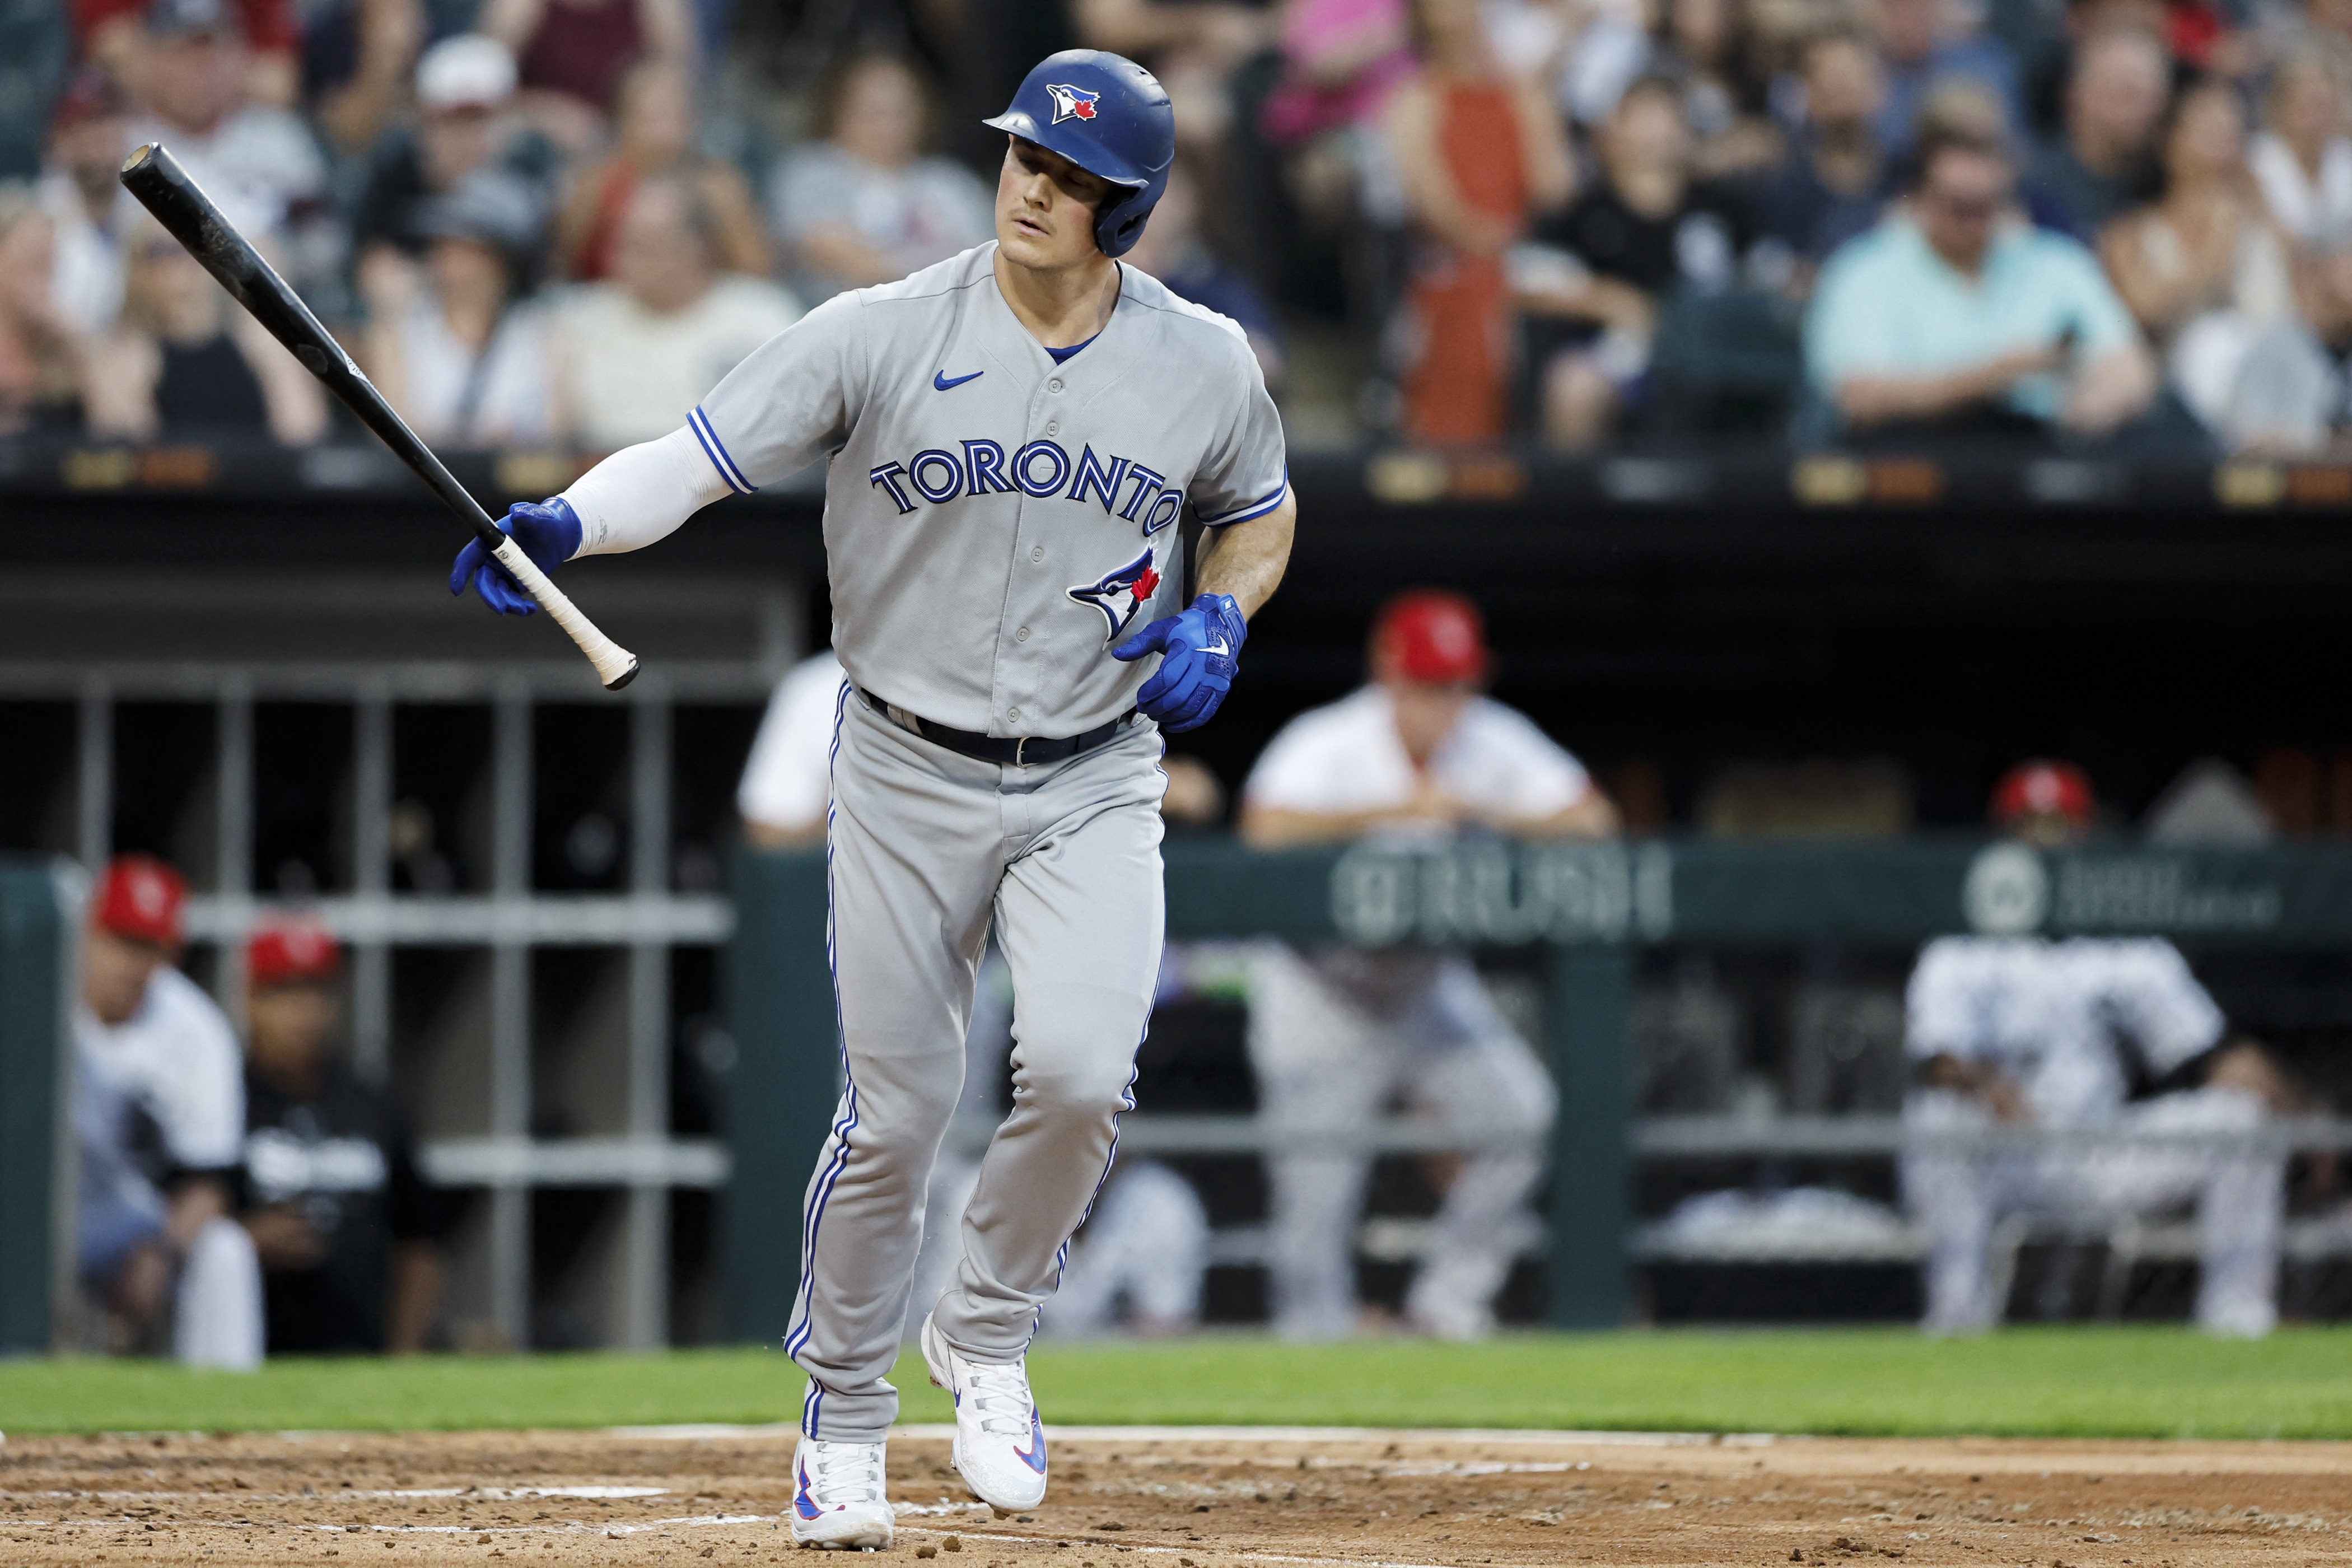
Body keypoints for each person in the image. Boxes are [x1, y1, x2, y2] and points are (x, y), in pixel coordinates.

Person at [444, 48, 1293, 1547]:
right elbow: (696, 461)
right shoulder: (884, 327)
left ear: (1134, 207)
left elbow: (1261, 516)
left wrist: (1227, 615)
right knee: (897, 1118)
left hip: (1096, 769)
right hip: (904, 762)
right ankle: (842, 1417)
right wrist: (569, 522)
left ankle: (986, 1328)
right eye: (1027, 156)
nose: (1036, 186)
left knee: (1088, 1070)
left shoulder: (1205, 359)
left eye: (1076, 175)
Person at [1238, 590, 1615, 1341]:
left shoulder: (1493, 742)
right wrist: (1388, 811)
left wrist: (1483, 812)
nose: (1445, 703)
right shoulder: (1333, 740)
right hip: (1323, 991)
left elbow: (1592, 822)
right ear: (1389, 673)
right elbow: (1264, 828)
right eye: (1429, 684)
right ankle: (1312, 1339)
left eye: (1457, 684)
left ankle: (1447, 1303)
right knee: (1315, 1196)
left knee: (1524, 1120)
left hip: (1426, 988)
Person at [1903, 759, 2298, 1338]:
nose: (2045, 842)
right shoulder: (1963, 945)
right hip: (2011, 1154)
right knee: (1938, 1119)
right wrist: (1985, 1086)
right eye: (2029, 826)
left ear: (2086, 834)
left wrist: (2285, 1099)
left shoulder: (2123, 939)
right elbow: (1934, 1057)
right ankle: (1957, 1320)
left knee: (2243, 1118)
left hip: (2102, 1151)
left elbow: (2210, 1050)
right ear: (2003, 840)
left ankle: (2237, 1321)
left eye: (2058, 825)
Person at [1804, 125, 2157, 439]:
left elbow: (2130, 366)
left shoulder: (2055, 262)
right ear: (1919, 199)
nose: (1976, 223)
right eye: (1960, 207)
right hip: (1913, 460)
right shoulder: (1864, 271)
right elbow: (1859, 398)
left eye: (1988, 206)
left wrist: (2088, 409)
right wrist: (1994, 375)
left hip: (2038, 453)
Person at [73, 855, 263, 1368]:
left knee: (225, 1252)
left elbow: (211, 1179)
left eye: (153, 947)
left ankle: (226, 1426)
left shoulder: (195, 1029)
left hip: (127, 1227)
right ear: (85, 934)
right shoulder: (31, 999)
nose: (135, 964)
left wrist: (164, 1251)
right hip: (32, 1216)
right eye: (122, 940)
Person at [239, 916, 447, 1354]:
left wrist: (404, 1350)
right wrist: (243, 1241)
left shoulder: (372, 1102)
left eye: (317, 990)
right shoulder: (226, 1104)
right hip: (252, 1349)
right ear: (251, 998)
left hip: (359, 1349)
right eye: (284, 991)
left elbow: (419, 1237)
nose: (304, 1011)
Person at [1518, 73, 1753, 447]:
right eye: (1642, 116)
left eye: (1667, 116)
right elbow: (1525, 277)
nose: (1656, 131)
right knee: (1575, 387)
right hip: (1619, 356)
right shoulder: (1585, 211)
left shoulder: (1724, 208)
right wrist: (1605, 300)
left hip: (1713, 354)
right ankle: (1566, 502)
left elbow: (1764, 274)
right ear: (1615, 132)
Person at [1387, 0, 1575, 443]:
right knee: (1471, 302)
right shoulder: (1415, 101)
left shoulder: (1524, 96)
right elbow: (1432, 204)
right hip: (1454, 266)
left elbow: (1555, 186)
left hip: (1523, 257)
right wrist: (1492, 247)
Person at [2099, 81, 2299, 438]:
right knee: (2212, 340)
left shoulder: (2267, 224)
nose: (2222, 139)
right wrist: (2215, 250)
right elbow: (2141, 310)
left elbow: (2307, 310)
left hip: (2275, 401)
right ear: (2169, 139)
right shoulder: (2130, 234)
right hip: (2173, 411)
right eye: (2208, 127)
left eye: (2231, 130)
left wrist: (2259, 210)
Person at [548, 174, 800, 450]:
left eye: (643, 247)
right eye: (619, 244)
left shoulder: (765, 318)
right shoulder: (576, 321)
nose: (619, 260)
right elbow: (549, 439)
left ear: (697, 248)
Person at [766, 52, 996, 304]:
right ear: (838, 110)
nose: (888, 125)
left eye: (901, 111)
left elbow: (989, 262)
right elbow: (833, 253)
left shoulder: (951, 180)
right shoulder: (810, 171)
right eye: (874, 110)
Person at [83, 214, 329, 442]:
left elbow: (304, 436)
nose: (182, 263)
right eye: (162, 250)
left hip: (259, 482)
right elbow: (128, 455)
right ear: (137, 268)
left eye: (192, 243)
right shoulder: (126, 354)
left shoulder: (255, 344)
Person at [358, 169, 556, 449]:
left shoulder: (541, 334)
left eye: (465, 248)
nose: (444, 259)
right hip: (419, 491)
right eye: (441, 245)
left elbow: (557, 439)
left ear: (503, 261)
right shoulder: (397, 333)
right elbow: (391, 440)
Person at [122, 0, 326, 255]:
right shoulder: (125, 147)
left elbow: (320, 248)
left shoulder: (279, 140)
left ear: (240, 58)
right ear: (152, 61)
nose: (199, 68)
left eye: (210, 53)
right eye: (182, 53)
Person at [555, 58, 768, 282]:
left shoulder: (720, 186)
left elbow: (755, 270)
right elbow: (567, 262)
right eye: (652, 118)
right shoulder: (594, 183)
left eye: (677, 116)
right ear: (621, 120)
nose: (667, 133)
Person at [1750, 29, 1894, 282]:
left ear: (1879, 89)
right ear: (1809, 95)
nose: (1842, 89)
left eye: (1852, 77)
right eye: (1831, 81)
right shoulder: (1783, 190)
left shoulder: (1910, 177)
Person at [478, 0, 697, 152]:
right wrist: (546, 113)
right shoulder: (518, 7)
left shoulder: (659, 8)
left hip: (624, 141)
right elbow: (484, 94)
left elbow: (678, 86)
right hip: (537, 140)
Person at [2022, 26, 2171, 241]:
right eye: (2127, 94)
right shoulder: (2037, 186)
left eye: (2154, 97)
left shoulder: (2171, 180)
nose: (2145, 110)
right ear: (2076, 98)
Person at [40, 69, 136, 339]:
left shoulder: (153, 207)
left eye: (111, 121)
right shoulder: (37, 217)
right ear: (61, 140)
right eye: (90, 123)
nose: (103, 137)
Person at [1869, 0, 2026, 156]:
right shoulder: (1865, 72)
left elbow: (2015, 147)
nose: (1908, 16)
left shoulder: (1983, 66)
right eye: (1895, 6)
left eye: (1919, 5)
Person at [0, 184, 87, 434]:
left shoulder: (59, 340)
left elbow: (120, 428)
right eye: (31, 262)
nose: (39, 280)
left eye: (47, 265)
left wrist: (72, 340)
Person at [2250, 53, 2352, 245]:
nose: (2320, 116)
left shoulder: (2344, 155)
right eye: (2309, 104)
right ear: (2281, 106)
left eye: (2326, 104)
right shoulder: (2256, 159)